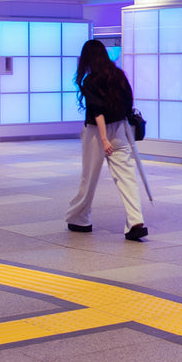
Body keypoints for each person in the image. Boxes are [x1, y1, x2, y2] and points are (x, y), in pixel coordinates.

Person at [65, 39, 147, 241]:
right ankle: (135, 221)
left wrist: (103, 139)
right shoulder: (118, 75)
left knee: (89, 177)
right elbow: (128, 102)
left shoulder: (90, 81)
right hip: (120, 129)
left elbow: (97, 111)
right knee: (127, 177)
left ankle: (80, 218)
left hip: (96, 133)